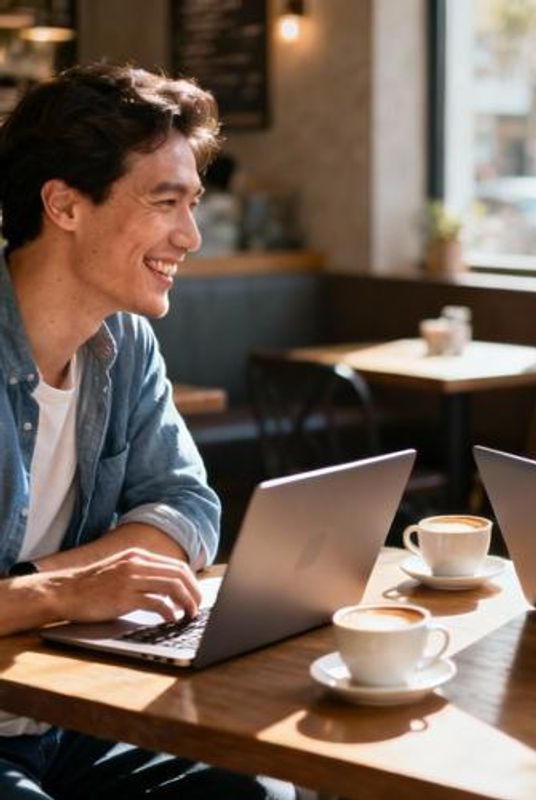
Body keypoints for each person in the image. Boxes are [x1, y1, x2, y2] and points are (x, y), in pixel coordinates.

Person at [0, 63, 295, 799]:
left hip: (66, 717)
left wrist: (61, 587)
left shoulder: (123, 342)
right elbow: (95, 584)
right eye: (166, 202)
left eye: (193, 203)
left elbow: (187, 507)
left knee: (260, 791)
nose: (191, 236)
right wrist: (61, 595)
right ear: (64, 205)